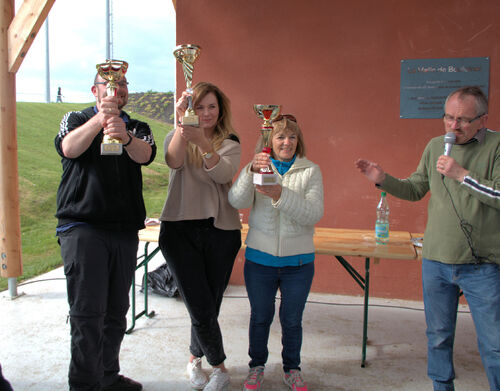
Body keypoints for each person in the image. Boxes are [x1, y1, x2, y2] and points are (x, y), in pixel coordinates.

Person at [355, 86, 500, 391]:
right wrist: (383, 180)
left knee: (494, 343)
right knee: (438, 336)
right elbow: (417, 188)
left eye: (463, 119)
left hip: (482, 264)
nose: (453, 126)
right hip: (436, 259)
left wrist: (461, 174)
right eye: (448, 117)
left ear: (483, 120)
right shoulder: (436, 146)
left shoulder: (497, 146)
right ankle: (441, 386)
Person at [55, 69, 156, 391]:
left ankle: (108, 377)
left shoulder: (137, 127)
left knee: (116, 312)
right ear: (95, 90)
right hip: (82, 227)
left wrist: (123, 135)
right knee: (87, 314)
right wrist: (100, 119)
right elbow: (69, 148)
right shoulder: (75, 118)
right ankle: (84, 385)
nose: (118, 89)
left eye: (123, 84)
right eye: (110, 85)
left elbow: (146, 155)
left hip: (124, 230)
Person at [229, 114, 324, 391]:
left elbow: (313, 213)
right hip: (260, 260)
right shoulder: (260, 166)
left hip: (299, 263)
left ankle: (292, 369)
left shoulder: (311, 171)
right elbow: (237, 200)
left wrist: (278, 194)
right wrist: (250, 169)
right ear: (270, 139)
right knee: (260, 317)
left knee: (292, 320)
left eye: (292, 136)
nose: (287, 142)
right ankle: (256, 366)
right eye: (280, 136)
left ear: (299, 141)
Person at [158, 81, 242, 391]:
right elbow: (174, 161)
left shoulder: (229, 142)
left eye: (212, 107)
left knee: (208, 305)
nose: (206, 113)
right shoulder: (175, 136)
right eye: (200, 106)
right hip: (179, 230)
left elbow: (221, 175)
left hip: (221, 231)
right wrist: (182, 126)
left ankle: (194, 360)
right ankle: (219, 367)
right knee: (199, 304)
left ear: (220, 111)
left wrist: (206, 145)